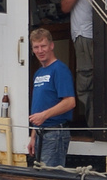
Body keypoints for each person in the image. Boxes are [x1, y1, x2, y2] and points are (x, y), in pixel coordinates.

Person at [28, 28, 76, 167]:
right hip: (40, 134)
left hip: (55, 133)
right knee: (41, 177)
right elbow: (38, 106)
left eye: (43, 46)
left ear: (51, 45)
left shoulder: (60, 70)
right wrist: (33, 136)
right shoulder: (38, 74)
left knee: (50, 179)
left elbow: (70, 102)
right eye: (36, 47)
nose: (40, 50)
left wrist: (44, 115)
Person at [58, 0, 94, 128]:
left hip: (83, 38)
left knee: (84, 85)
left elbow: (65, 5)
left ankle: (93, 127)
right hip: (91, 37)